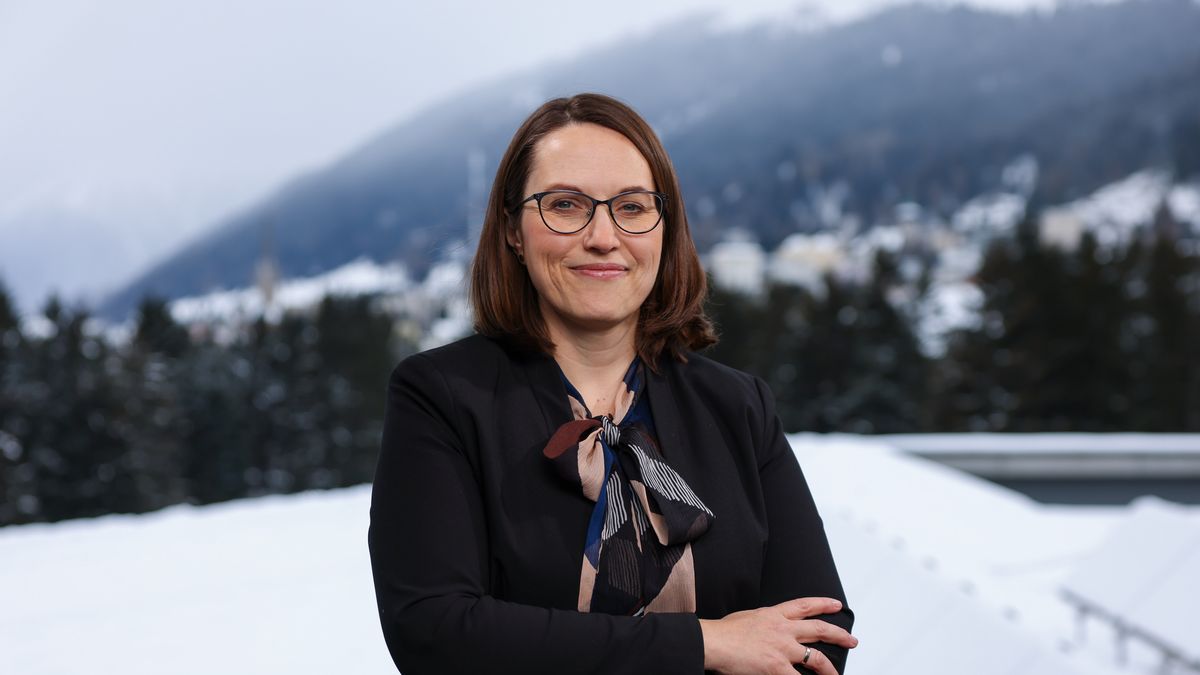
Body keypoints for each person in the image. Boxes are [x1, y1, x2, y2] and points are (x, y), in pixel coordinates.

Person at [368, 92, 856, 674]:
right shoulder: (443, 397)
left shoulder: (738, 405)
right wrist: (707, 644)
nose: (604, 236)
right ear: (513, 232)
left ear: (663, 230)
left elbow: (818, 634)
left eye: (631, 207)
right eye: (567, 205)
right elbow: (437, 632)